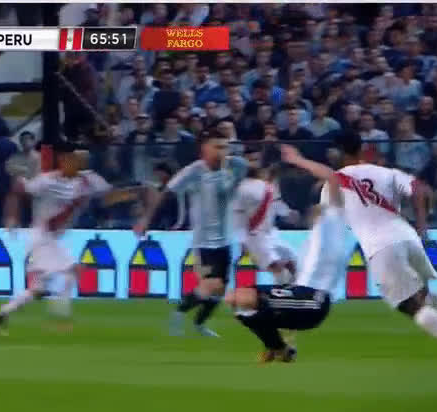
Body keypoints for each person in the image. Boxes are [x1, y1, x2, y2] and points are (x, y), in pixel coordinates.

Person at [322, 131, 437, 356]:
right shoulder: (387, 173)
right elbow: (420, 189)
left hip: (380, 247)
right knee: (425, 294)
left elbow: (328, 221)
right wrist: (421, 225)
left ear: (338, 153)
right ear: (361, 149)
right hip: (407, 237)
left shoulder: (332, 184)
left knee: (412, 306)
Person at [0, 142, 140, 332]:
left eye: (83, 158)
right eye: (76, 158)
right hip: (42, 235)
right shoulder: (47, 180)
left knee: (37, 289)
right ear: (64, 161)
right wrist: (12, 216)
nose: (80, 161)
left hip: (51, 237)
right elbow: (19, 191)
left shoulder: (90, 180)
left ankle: (1, 314)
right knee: (73, 270)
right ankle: (60, 320)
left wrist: (131, 195)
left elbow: (109, 195)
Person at [225, 144, 344, 363]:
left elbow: (333, 178)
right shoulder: (313, 236)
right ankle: (279, 348)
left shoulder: (334, 221)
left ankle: (277, 344)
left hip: (314, 299)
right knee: (239, 302)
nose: (312, 207)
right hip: (301, 295)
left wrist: (297, 160)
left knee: (243, 298)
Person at [134, 132, 248, 337]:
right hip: (204, 242)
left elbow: (247, 171)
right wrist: (146, 220)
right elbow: (166, 192)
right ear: (204, 149)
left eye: (225, 147)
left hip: (225, 240)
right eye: (217, 147)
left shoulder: (236, 165)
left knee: (220, 290)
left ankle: (199, 324)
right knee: (211, 284)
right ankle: (178, 314)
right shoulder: (194, 171)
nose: (222, 152)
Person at [232, 147, 298, 286]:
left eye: (256, 159)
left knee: (292, 260)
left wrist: (288, 213)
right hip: (254, 235)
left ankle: (286, 293)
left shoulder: (269, 186)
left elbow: (276, 203)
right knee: (278, 269)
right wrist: (242, 240)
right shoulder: (240, 187)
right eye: (251, 160)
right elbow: (237, 215)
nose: (254, 163)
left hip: (271, 233)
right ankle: (279, 293)